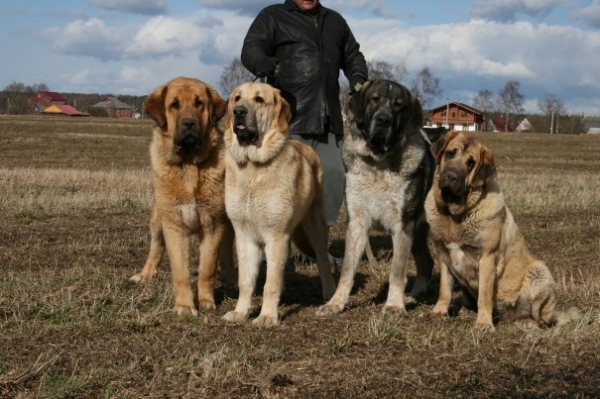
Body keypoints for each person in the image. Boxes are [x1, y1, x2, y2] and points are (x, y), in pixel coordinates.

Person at [241, 0, 368, 231]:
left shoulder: (335, 21)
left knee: (333, 176)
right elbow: (251, 48)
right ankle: (282, 245)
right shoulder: (272, 16)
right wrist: (261, 62)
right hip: (289, 120)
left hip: (328, 121)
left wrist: (358, 77)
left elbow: (352, 55)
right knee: (285, 185)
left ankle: (318, 243)